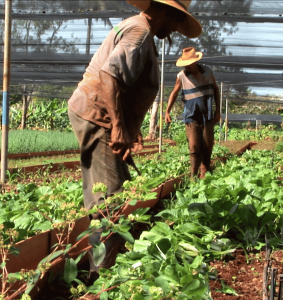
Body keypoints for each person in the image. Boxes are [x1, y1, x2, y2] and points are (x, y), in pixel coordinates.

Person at [67, 1, 202, 273]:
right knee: (110, 198)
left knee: (113, 188)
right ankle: (102, 276)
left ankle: (103, 264)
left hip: (97, 114)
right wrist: (117, 126)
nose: (176, 29)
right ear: (166, 13)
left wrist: (130, 125)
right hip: (97, 115)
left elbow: (127, 85)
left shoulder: (140, 31)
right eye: (177, 21)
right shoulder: (139, 34)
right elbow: (109, 75)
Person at [165, 47, 220, 179]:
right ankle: (192, 176)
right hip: (191, 115)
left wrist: (218, 110)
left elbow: (216, 90)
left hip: (207, 114)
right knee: (194, 146)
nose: (187, 67)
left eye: (188, 64)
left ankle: (204, 174)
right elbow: (174, 93)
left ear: (195, 62)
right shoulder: (181, 76)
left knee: (207, 145)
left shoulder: (207, 71)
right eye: (185, 65)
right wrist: (167, 111)